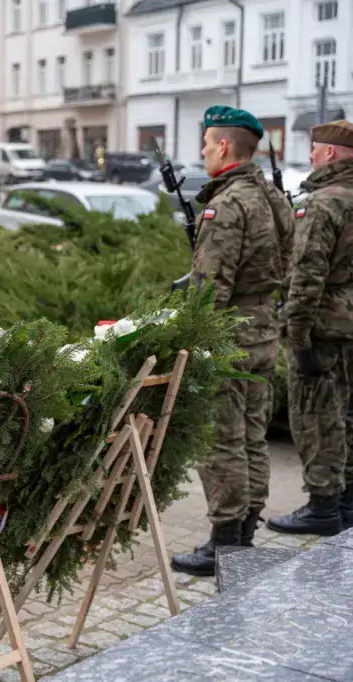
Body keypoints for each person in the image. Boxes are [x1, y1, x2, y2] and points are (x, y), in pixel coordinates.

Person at [170, 106, 292, 577]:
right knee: (253, 438)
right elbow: (289, 262)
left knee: (221, 440)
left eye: (206, 144)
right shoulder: (273, 198)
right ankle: (245, 533)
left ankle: (224, 542)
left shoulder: (226, 205)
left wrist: (193, 340)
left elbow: (209, 288)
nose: (202, 153)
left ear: (223, 146)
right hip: (264, 332)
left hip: (228, 339)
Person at [267, 119, 353, 536]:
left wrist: (297, 337)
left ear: (330, 153)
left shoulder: (323, 203)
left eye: (315, 150)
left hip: (324, 328)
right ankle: (347, 501)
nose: (311, 156)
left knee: (317, 417)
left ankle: (322, 506)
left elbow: (306, 276)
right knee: (349, 415)